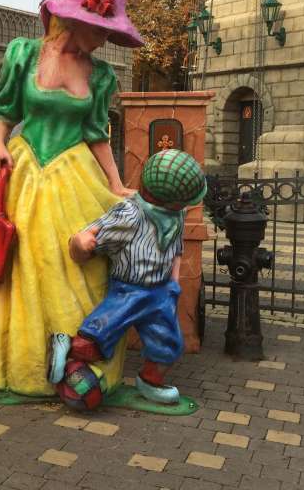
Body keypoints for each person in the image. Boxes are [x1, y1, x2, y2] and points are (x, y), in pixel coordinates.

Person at [0, 0, 143, 397]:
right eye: (99, 30)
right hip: (27, 172)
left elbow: (96, 133)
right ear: (74, 20)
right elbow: (4, 109)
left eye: (109, 32)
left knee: (82, 262)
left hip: (75, 175)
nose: (103, 39)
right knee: (28, 266)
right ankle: (29, 366)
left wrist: (116, 183)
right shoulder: (24, 54)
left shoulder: (101, 73)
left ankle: (79, 356)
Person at [50, 149, 207, 407]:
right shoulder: (129, 214)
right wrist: (81, 243)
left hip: (161, 292)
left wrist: (174, 282)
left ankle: (150, 381)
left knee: (168, 343)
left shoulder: (177, 216)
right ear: (168, 200)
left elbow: (177, 249)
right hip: (128, 290)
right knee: (100, 334)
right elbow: (91, 238)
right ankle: (65, 347)